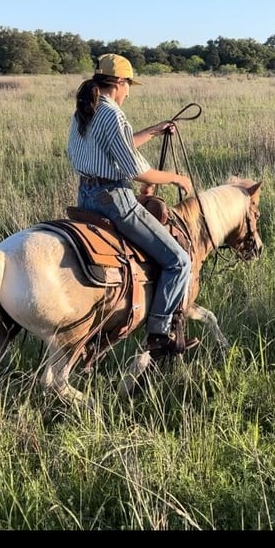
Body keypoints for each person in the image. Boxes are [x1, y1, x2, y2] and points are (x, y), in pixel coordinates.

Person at [66, 53, 199, 358]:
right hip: (114, 200)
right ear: (120, 82)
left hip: (85, 197)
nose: (128, 92)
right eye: (129, 85)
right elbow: (136, 171)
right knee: (179, 261)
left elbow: (117, 148)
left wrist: (154, 130)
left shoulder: (85, 110)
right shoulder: (113, 114)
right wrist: (176, 178)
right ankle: (159, 333)